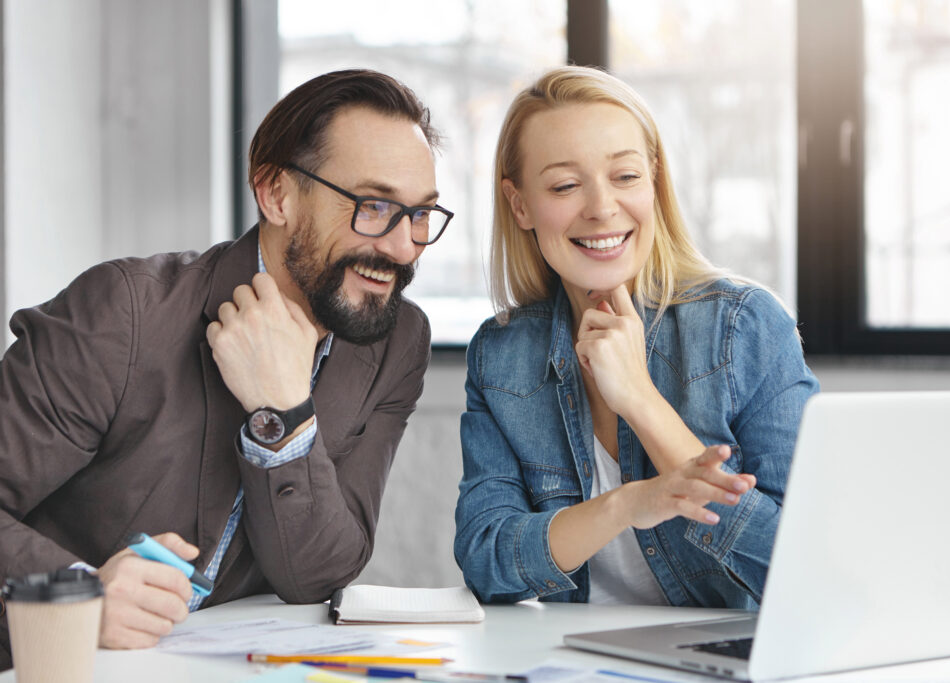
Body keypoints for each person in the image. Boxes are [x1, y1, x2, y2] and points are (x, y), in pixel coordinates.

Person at [0, 69, 452, 668]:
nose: (403, 248)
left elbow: (318, 575)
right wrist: (77, 595)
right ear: (275, 194)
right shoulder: (125, 313)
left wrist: (284, 411)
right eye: (373, 207)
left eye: (420, 216)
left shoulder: (395, 342)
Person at [454, 66, 818, 609]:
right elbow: (486, 561)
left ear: (653, 181)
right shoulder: (501, 355)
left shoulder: (745, 327)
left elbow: (803, 571)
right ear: (520, 204)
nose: (601, 207)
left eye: (624, 176)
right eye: (564, 185)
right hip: (572, 663)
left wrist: (642, 402)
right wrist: (625, 505)